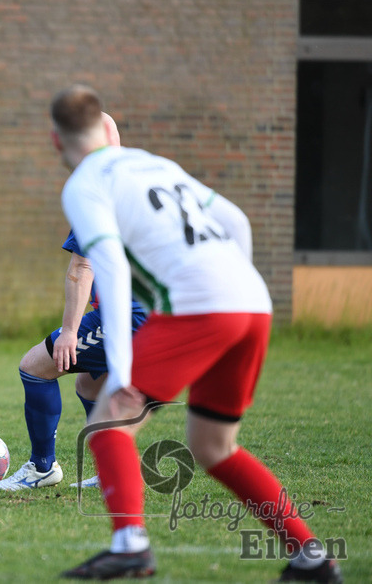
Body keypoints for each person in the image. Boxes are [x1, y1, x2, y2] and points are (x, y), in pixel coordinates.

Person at [49, 85, 341, 582]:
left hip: (201, 308)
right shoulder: (154, 163)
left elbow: (110, 268)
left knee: (107, 421)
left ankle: (130, 545)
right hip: (252, 302)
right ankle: (309, 555)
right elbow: (237, 220)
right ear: (104, 129)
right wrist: (238, 287)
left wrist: (120, 369)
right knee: (213, 448)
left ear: (57, 142)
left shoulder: (82, 185)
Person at [0, 114, 149, 491]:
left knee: (35, 366)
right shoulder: (139, 180)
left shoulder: (97, 189)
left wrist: (68, 332)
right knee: (90, 386)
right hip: (157, 313)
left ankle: (42, 467)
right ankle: (114, 469)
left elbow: (83, 266)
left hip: (131, 317)